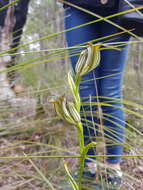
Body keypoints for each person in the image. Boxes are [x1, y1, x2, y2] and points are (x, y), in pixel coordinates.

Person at [63, 0, 131, 188]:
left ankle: (113, 167)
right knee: (84, 92)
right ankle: (88, 164)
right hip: (77, 7)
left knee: (110, 92)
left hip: (118, 9)